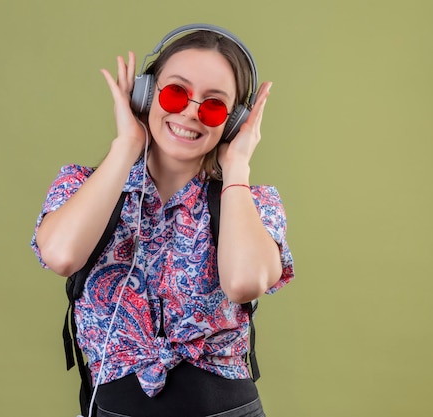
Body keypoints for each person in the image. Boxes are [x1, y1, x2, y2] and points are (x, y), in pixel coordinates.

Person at [31, 24, 294, 417]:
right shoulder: (80, 185)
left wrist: (237, 166)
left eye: (214, 105)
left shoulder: (253, 204)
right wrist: (126, 146)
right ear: (146, 94)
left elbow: (244, 284)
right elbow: (62, 256)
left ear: (234, 121)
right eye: (175, 93)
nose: (190, 112)